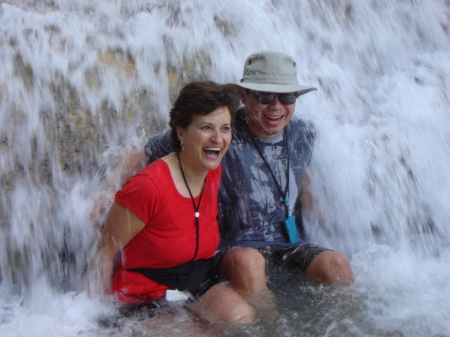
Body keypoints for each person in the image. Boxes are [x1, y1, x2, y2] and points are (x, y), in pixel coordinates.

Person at [144, 51, 354, 308]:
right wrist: (105, 192)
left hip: (288, 244)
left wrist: (307, 193)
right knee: (249, 261)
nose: (276, 106)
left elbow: (296, 166)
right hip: (231, 247)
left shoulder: (303, 132)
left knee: (338, 264)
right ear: (243, 96)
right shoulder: (221, 131)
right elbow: (141, 149)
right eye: (265, 96)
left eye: (287, 96)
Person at [86, 81, 255, 325]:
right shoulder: (148, 187)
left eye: (225, 128)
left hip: (193, 276)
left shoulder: (212, 168)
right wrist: (95, 318)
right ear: (181, 132)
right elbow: (104, 253)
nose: (218, 139)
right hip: (140, 294)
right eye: (206, 127)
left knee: (242, 319)